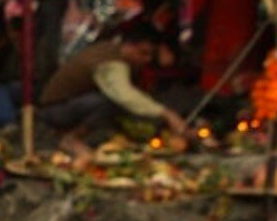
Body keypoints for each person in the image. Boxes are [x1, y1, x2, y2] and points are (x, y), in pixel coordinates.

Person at [39, 23, 187, 161]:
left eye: (150, 55)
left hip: (73, 104)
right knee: (109, 102)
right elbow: (125, 95)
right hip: (56, 109)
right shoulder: (110, 62)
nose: (147, 59)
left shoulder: (112, 50)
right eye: (142, 53)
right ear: (128, 46)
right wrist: (167, 114)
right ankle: (72, 140)